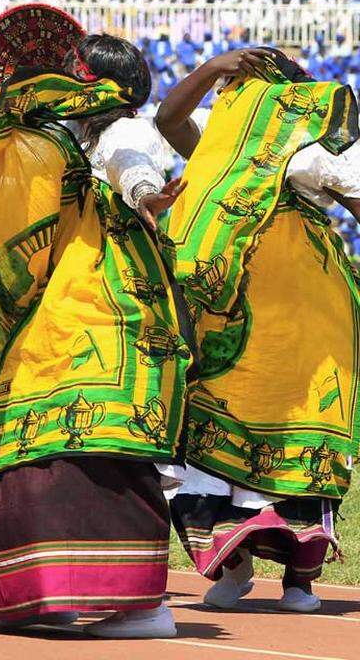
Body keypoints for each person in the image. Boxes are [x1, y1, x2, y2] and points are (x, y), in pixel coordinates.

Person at [0, 33, 191, 638]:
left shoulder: (123, 133)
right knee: (30, 445)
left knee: (98, 447)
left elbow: (133, 164)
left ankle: (139, 605)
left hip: (110, 302)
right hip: (52, 308)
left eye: (76, 72)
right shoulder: (54, 143)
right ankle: (45, 593)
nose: (65, 82)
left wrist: (146, 195)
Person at [156, 47, 360, 614]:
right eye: (228, 88)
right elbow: (169, 119)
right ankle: (235, 564)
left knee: (299, 423)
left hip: (303, 314)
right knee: (206, 427)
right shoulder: (223, 151)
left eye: (239, 86)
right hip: (226, 316)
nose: (227, 97)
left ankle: (300, 582)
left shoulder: (312, 143)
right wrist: (215, 67)